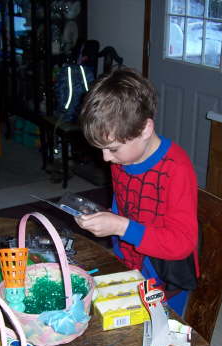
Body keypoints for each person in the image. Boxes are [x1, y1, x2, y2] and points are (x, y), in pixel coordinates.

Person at [75, 67, 199, 316]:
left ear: (144, 129)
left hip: (167, 276)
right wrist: (102, 217)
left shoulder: (177, 170)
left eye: (112, 149)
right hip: (127, 262)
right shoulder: (124, 158)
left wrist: (120, 227)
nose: (105, 158)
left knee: (158, 337)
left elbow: (182, 244)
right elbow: (124, 203)